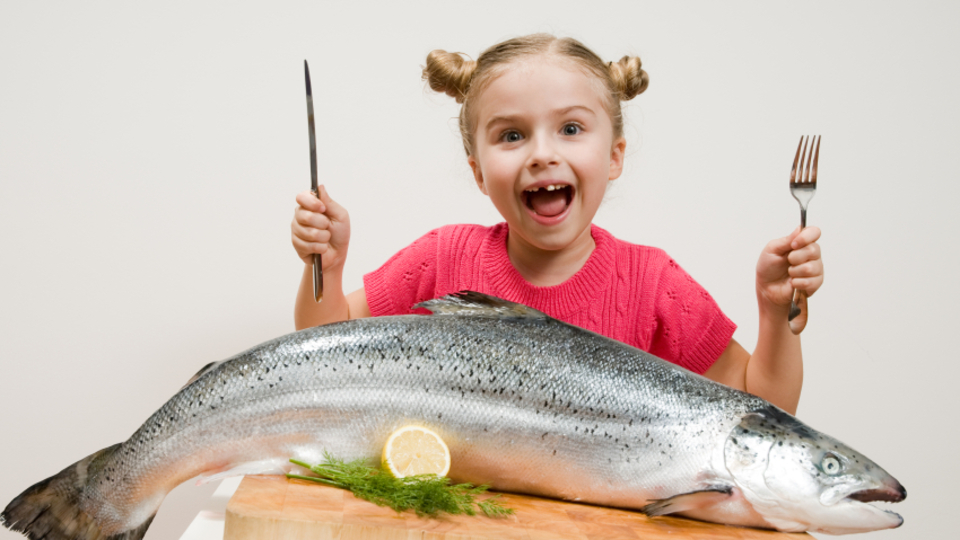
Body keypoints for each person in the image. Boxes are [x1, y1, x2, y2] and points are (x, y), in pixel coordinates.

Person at [289, 34, 823, 415]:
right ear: (477, 171)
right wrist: (326, 271)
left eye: (570, 128)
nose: (542, 154)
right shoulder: (442, 257)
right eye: (511, 136)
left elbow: (762, 411)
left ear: (614, 156)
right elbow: (324, 350)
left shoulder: (654, 283)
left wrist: (775, 315)